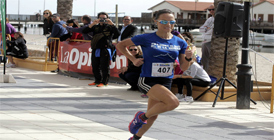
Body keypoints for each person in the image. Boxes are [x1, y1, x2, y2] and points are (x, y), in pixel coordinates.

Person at [116, 9, 193, 140]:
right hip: (148, 79)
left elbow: (184, 67)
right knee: (173, 102)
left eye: (171, 22)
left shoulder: (180, 42)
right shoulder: (146, 38)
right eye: (164, 21)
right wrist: (133, 59)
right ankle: (141, 117)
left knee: (154, 114)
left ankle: (135, 138)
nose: (168, 24)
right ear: (156, 22)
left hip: (166, 81)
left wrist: (189, 58)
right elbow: (121, 45)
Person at [83, 12, 120, 87]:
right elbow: (84, 31)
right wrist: (92, 24)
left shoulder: (110, 27)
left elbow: (117, 34)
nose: (102, 20)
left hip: (105, 49)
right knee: (95, 65)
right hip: (96, 48)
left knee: (104, 66)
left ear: (107, 19)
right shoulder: (95, 26)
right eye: (101, 18)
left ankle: (104, 82)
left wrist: (112, 24)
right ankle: (97, 81)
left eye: (104, 18)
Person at [199, 4, 214, 72]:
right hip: (205, 41)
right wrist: (207, 28)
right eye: (209, 10)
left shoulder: (218, 19)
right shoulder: (209, 19)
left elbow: (211, 31)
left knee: (211, 59)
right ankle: (205, 72)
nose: (211, 11)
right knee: (204, 59)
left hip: (211, 41)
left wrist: (207, 29)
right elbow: (201, 29)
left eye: (213, 9)